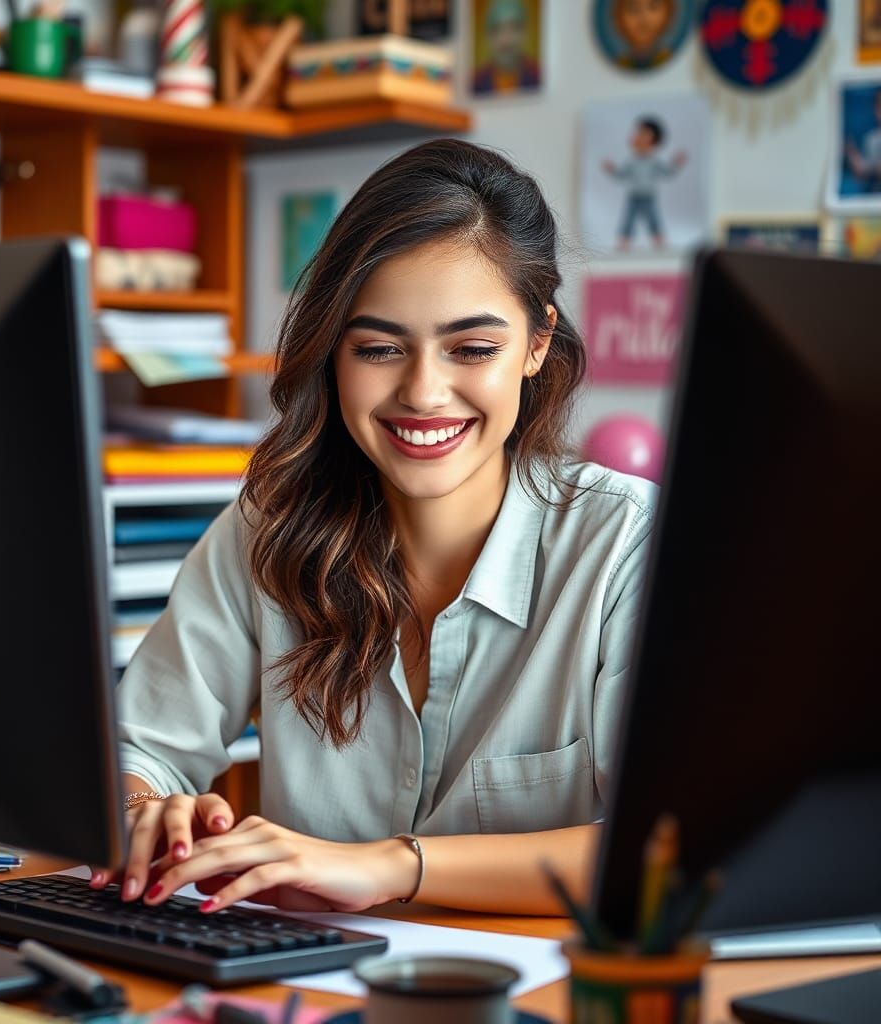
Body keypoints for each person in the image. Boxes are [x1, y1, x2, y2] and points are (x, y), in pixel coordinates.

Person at [96, 139, 656, 918]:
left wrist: (393, 867)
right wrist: (143, 812)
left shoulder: (629, 545)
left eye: (472, 348)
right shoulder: (266, 531)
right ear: (334, 353)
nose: (424, 392)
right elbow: (137, 751)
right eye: (380, 348)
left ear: (535, 344)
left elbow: (662, 847)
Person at [603, 116, 687, 250]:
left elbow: (667, 172)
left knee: (653, 219)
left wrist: (676, 164)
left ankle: (659, 242)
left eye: (643, 134)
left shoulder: (654, 161)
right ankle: (624, 243)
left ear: (653, 140)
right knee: (628, 220)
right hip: (634, 196)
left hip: (649, 196)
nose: (637, 137)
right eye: (637, 133)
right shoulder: (632, 160)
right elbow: (621, 174)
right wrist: (612, 170)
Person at [472, 0, 541, 94]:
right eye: (497, 30)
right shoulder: (476, 83)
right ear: (487, 37)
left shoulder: (539, 75)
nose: (506, 40)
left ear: (525, 33)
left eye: (514, 28)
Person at [612, 0, 676, 69]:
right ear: (619, 17)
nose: (643, 18)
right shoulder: (617, 67)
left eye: (653, 7)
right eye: (633, 8)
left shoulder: (673, 62)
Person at [844, 87, 881, 193]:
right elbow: (861, 172)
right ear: (876, 110)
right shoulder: (871, 139)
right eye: (880, 107)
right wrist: (851, 152)